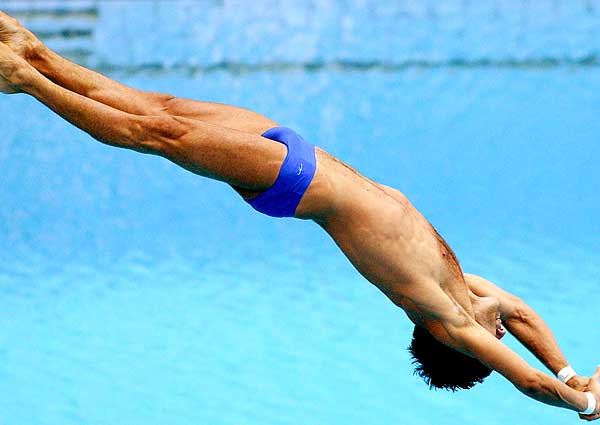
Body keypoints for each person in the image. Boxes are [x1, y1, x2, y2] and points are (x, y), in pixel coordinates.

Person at [0, 11, 598, 419]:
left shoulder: (448, 316)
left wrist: (585, 407)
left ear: (466, 347)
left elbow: (527, 381)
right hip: (302, 151)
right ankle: (37, 52)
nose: (507, 320)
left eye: (495, 339)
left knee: (160, 134)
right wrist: (572, 373)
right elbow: (521, 318)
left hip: (297, 182)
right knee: (162, 105)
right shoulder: (465, 288)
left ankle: (24, 80)